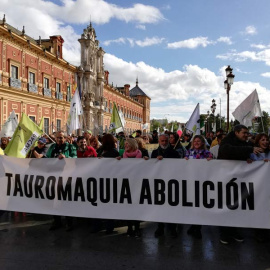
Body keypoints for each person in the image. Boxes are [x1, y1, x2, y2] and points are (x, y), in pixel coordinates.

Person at [218, 124, 263, 244]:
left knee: (237, 206)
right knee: (226, 205)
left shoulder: (245, 142)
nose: (246, 135)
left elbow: (248, 151)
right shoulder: (227, 141)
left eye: (247, 133)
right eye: (244, 133)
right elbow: (227, 151)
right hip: (226, 180)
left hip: (239, 180)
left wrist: (250, 158)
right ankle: (224, 232)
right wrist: (248, 150)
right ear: (236, 132)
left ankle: (234, 231)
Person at [46, 130, 77, 231]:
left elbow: (75, 157)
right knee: (55, 200)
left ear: (65, 138)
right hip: (54, 177)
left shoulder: (70, 147)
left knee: (67, 200)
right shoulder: (52, 147)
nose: (60, 139)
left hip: (67, 177)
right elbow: (47, 158)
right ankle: (57, 221)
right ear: (55, 138)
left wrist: (66, 157)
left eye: (62, 137)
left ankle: (69, 223)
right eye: (58, 137)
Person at [151, 134, 179, 238]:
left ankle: (172, 228)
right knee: (159, 206)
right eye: (162, 141)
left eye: (165, 141)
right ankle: (160, 227)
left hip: (171, 183)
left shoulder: (174, 153)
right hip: (159, 183)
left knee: (172, 206)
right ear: (159, 141)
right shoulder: (154, 153)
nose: (164, 143)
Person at [185, 135, 212, 239]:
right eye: (195, 141)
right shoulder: (189, 152)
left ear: (202, 143)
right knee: (192, 206)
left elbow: (212, 167)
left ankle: (198, 228)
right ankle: (193, 225)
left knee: (200, 206)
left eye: (198, 141)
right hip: (191, 182)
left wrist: (210, 161)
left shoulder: (207, 153)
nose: (196, 143)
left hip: (202, 183)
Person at [120, 138, 142, 237]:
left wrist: (146, 160)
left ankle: (137, 227)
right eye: (125, 144)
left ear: (133, 144)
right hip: (126, 183)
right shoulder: (123, 155)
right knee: (127, 206)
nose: (125, 146)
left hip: (137, 183)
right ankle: (129, 227)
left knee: (136, 207)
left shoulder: (141, 154)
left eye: (127, 144)